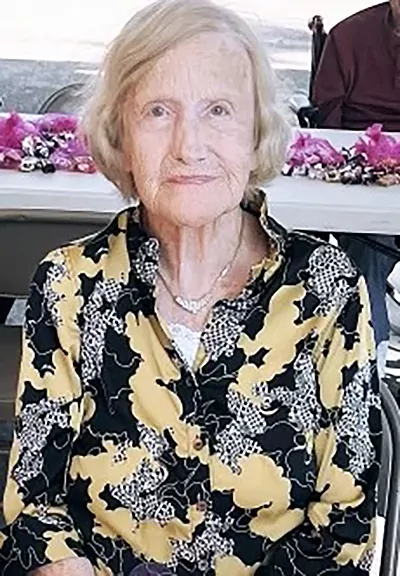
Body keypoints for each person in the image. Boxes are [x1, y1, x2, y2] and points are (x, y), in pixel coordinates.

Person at [0, 1, 381, 575]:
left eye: (218, 110)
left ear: (256, 133)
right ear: (121, 136)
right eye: (158, 111)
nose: (189, 146)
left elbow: (345, 528)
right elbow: (33, 509)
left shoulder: (326, 289)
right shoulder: (69, 285)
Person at [313, 0, 400, 377]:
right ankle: (368, 376)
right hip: (361, 171)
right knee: (368, 254)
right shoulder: (349, 36)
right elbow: (325, 118)